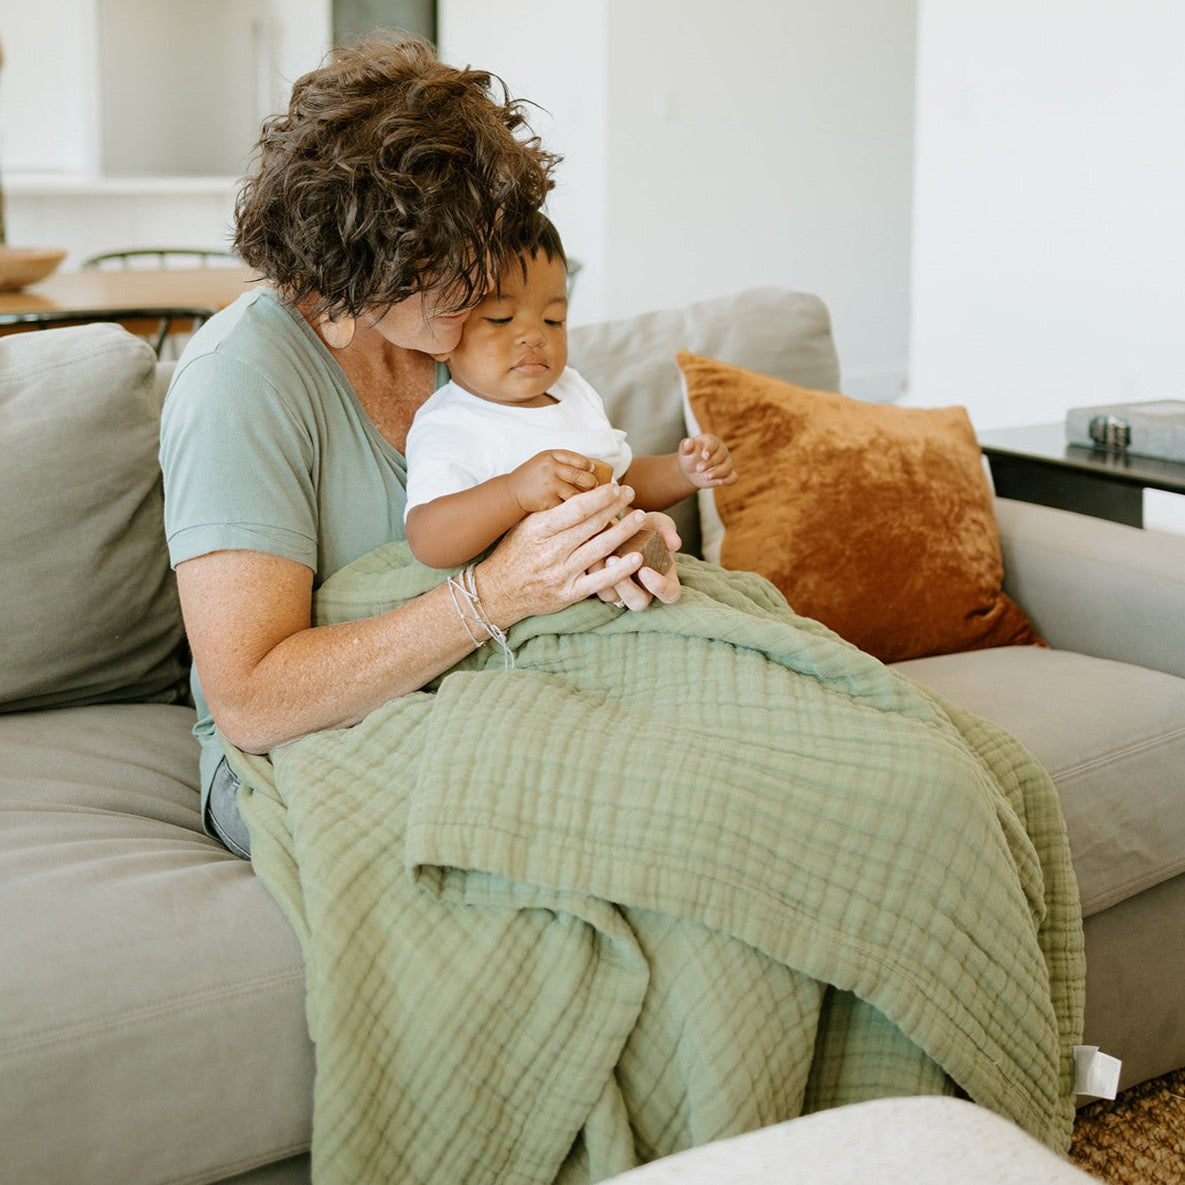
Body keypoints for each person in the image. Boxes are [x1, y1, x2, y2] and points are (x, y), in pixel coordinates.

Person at [158, 33, 681, 859]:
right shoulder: (240, 378)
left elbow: (569, 501)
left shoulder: (468, 334)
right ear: (350, 257)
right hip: (307, 745)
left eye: (483, 240)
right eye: (436, 258)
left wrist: (623, 539)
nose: (478, 282)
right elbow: (254, 700)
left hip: (512, 692)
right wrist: (493, 593)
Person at [403, 215, 737, 569]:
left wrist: (682, 472)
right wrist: (512, 493)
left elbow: (623, 484)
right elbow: (427, 540)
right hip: (533, 599)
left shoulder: (572, 392)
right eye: (501, 318)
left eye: (553, 320)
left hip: (614, 577)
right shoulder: (451, 423)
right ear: (443, 333)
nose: (535, 335)